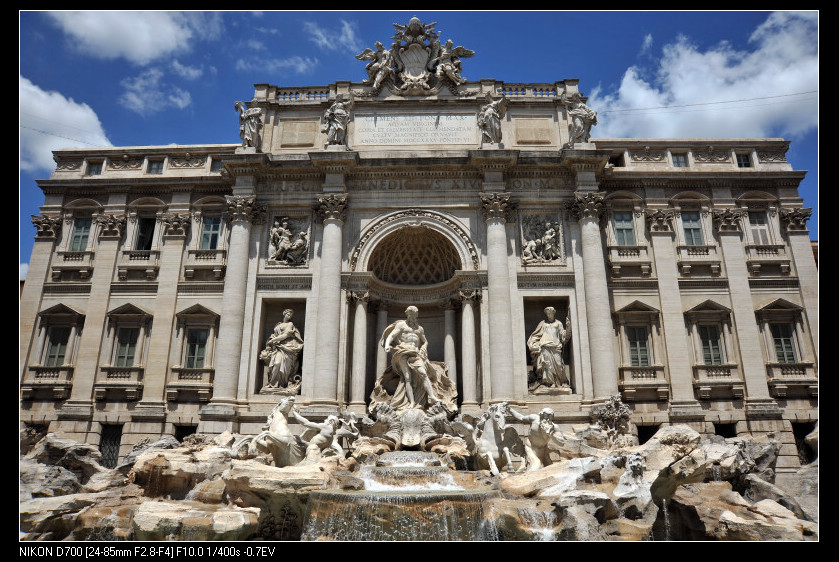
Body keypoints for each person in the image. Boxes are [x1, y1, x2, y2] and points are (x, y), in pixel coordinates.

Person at [382, 306, 443, 410]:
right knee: (407, 377)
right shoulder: (401, 325)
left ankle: (432, 397)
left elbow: (425, 341)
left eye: (414, 314)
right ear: (407, 314)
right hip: (403, 352)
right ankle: (412, 402)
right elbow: (392, 335)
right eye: (410, 314)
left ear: (416, 315)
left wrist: (423, 348)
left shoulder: (419, 329)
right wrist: (387, 345)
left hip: (415, 354)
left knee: (423, 373)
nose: (412, 316)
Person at [508, 406, 565, 470]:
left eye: (549, 416)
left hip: (543, 450)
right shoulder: (534, 418)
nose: (546, 418)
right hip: (530, 448)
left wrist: (551, 434)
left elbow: (561, 443)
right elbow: (521, 418)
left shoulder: (554, 427)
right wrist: (510, 409)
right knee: (536, 467)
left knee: (550, 469)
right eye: (545, 415)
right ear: (540, 414)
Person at [527, 307, 571, 388]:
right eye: (547, 314)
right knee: (547, 365)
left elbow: (564, 337)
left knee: (558, 364)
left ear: (553, 313)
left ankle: (559, 382)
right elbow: (536, 334)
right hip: (545, 346)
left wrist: (568, 327)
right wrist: (533, 343)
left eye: (550, 313)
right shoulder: (542, 323)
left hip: (556, 347)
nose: (549, 315)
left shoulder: (558, 323)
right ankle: (550, 383)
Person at [260, 309, 304, 389]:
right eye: (288, 314)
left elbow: (285, 335)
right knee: (276, 363)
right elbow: (275, 334)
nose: (289, 316)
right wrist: (271, 340)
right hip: (277, 347)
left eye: (290, 315)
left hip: (287, 347)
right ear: (284, 314)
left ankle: (281, 384)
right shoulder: (278, 325)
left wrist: (273, 340)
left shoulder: (290, 324)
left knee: (279, 364)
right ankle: (273, 384)